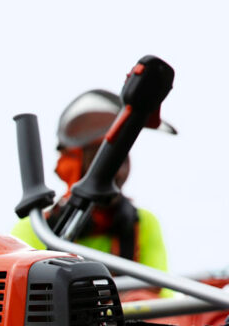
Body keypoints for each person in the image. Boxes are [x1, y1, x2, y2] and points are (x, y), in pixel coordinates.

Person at [11, 88, 177, 272]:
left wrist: (138, 299)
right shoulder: (36, 229)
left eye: (120, 159)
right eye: (99, 159)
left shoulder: (143, 223)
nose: (115, 172)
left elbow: (160, 294)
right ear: (72, 165)